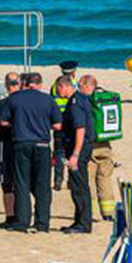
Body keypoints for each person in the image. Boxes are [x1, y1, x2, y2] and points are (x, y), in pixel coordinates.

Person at [0, 72, 62, 232]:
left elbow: (4, 121)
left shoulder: (14, 98)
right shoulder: (48, 99)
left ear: (25, 83)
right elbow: (57, 125)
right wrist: (41, 125)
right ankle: (42, 223)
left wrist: (19, 124)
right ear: (40, 84)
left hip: (21, 142)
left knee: (21, 183)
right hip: (42, 144)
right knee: (43, 185)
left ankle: (22, 221)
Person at [57, 75, 93, 233]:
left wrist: (75, 155)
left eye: (58, 88)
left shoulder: (76, 103)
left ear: (63, 86)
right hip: (77, 148)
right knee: (77, 185)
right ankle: (79, 220)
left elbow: (80, 129)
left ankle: (83, 223)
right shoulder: (76, 100)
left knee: (79, 186)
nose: (57, 92)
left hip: (79, 149)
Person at [77, 75, 116, 221]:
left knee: (88, 180)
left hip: (91, 145)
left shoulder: (87, 101)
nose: (79, 89)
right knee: (105, 179)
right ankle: (108, 213)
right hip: (106, 144)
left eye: (80, 86)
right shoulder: (105, 98)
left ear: (87, 86)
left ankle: (89, 212)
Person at [0, 72, 21, 228]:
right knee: (20, 180)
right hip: (20, 143)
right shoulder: (24, 102)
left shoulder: (3, 104)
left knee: (7, 182)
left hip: (5, 143)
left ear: (6, 85)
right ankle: (21, 214)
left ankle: (10, 216)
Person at [50, 60, 79, 191]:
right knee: (72, 151)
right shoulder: (74, 85)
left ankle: (58, 178)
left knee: (59, 152)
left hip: (58, 121)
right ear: (74, 71)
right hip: (71, 122)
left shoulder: (54, 85)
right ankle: (71, 180)